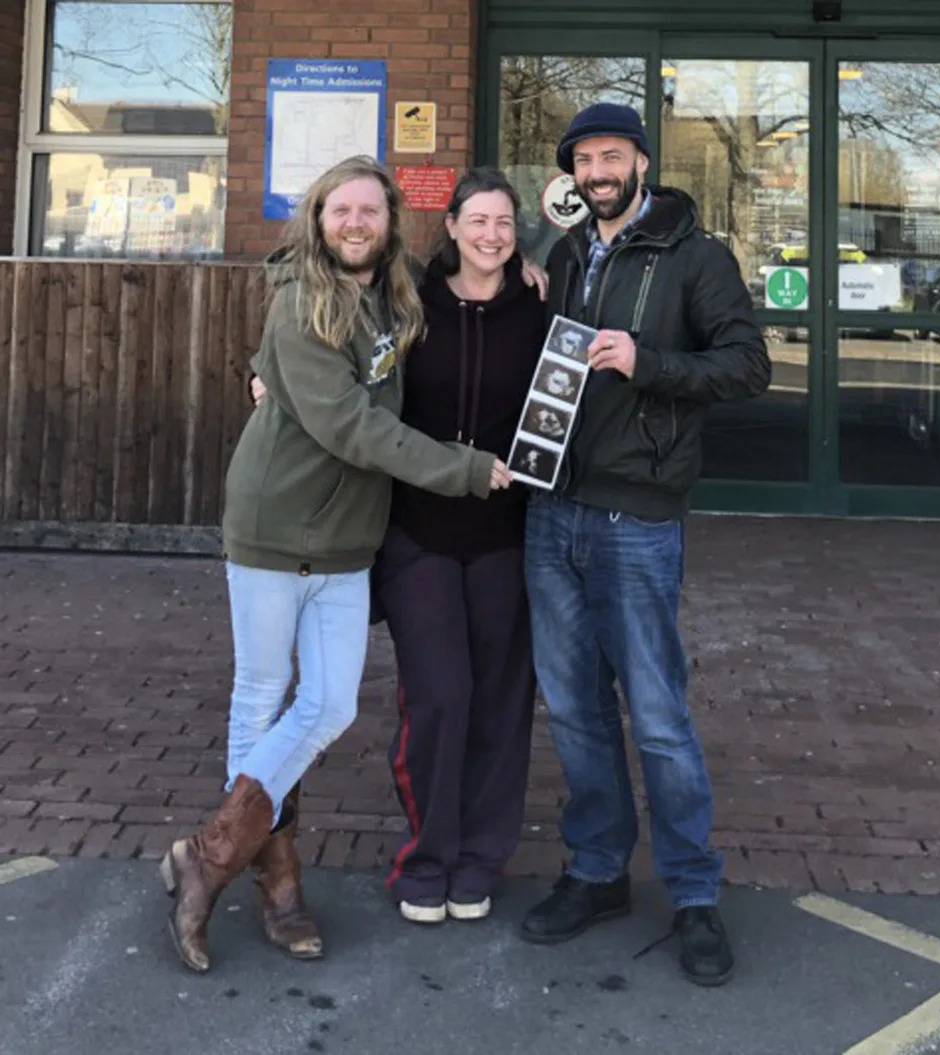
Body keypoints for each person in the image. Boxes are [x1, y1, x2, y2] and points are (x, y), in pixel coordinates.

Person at [159, 156, 510, 974]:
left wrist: (519, 259)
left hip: (350, 542)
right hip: (275, 529)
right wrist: (463, 469)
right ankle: (272, 884)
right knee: (261, 700)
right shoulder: (300, 304)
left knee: (330, 704)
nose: (355, 223)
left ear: (392, 224)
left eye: (371, 211)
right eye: (340, 209)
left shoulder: (396, 291)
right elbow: (355, 427)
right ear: (318, 219)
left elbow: (470, 271)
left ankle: (205, 856)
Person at [519, 103, 771, 987]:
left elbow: (748, 365)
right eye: (584, 159)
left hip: (638, 520)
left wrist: (648, 359)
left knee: (659, 719)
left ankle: (694, 894)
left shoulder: (694, 257)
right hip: (553, 515)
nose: (599, 170)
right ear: (573, 174)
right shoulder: (565, 255)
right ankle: (597, 873)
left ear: (641, 162)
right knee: (577, 710)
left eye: (612, 155)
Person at [373, 168, 545, 923]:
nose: (491, 235)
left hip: (509, 537)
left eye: (504, 222)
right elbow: (339, 355)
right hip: (422, 534)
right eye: (478, 220)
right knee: (440, 697)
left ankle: (480, 857)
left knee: (502, 705)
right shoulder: (409, 303)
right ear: (450, 226)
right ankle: (428, 855)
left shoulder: (540, 309)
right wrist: (262, 374)